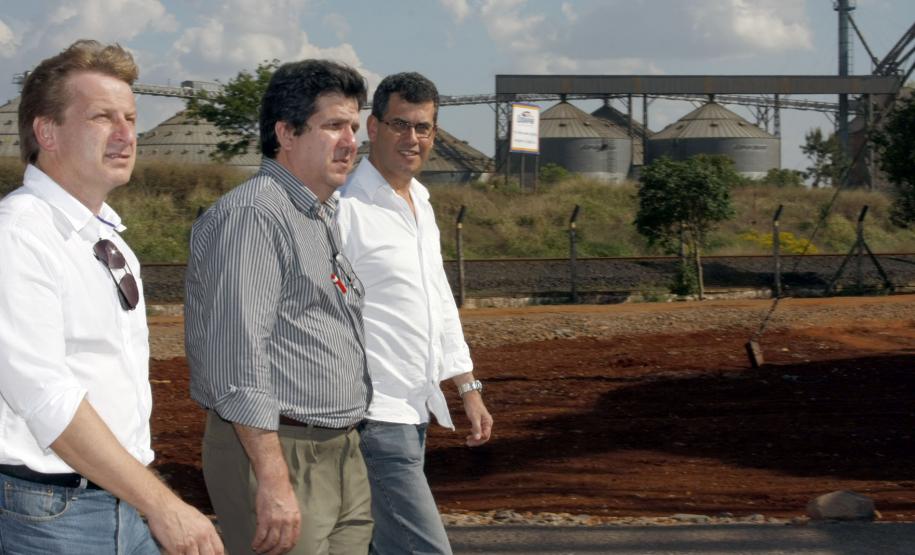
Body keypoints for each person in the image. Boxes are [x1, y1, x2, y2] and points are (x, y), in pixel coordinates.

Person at [0, 40, 223, 555]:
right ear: (46, 131)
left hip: (121, 502)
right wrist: (165, 505)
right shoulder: (20, 235)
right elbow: (47, 400)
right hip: (53, 519)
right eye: (102, 117)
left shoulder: (106, 239)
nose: (127, 134)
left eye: (130, 117)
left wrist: (145, 500)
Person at [185, 59, 373, 555]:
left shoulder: (317, 213)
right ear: (286, 133)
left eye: (353, 126)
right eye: (334, 125)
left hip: (339, 450)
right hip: (278, 451)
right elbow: (238, 359)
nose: (350, 140)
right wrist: (272, 477)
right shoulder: (254, 217)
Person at [337, 72, 494, 554]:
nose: (412, 139)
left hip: (415, 411)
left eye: (423, 128)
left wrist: (467, 386)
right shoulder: (346, 208)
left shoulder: (420, 203)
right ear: (373, 127)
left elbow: (438, 300)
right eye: (400, 125)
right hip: (374, 416)